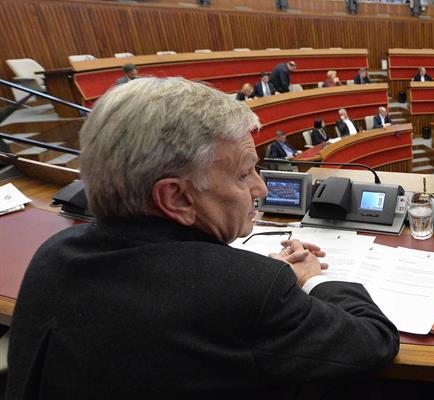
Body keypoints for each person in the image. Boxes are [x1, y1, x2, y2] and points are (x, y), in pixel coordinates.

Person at [5, 77, 399, 398]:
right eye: (245, 173)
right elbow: (373, 341)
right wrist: (313, 278)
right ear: (175, 197)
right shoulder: (247, 290)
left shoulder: (52, 255)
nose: (260, 189)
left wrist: (249, 279)